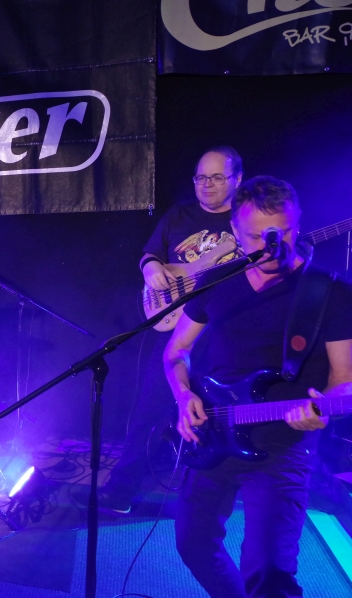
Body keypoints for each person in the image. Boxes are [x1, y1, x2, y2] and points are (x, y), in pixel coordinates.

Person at [165, 176, 352, 597]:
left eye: (282, 232)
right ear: (234, 230)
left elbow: (345, 381)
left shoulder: (331, 293)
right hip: (213, 433)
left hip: (283, 448)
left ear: (298, 225)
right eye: (255, 236)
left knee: (269, 571)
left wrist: (322, 408)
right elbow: (176, 351)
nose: (272, 245)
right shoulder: (216, 281)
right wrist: (183, 395)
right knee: (193, 545)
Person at [99, 146, 244, 514]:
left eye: (217, 177)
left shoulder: (248, 218)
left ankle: (212, 497)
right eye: (201, 177)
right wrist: (150, 268)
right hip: (177, 326)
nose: (207, 184)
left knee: (223, 410)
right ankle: (121, 490)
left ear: (237, 179)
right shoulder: (180, 213)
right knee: (149, 407)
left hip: (226, 331)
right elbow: (151, 254)